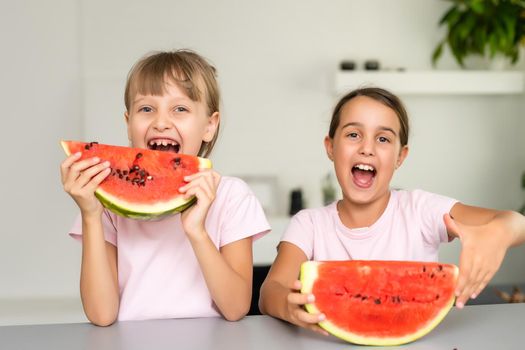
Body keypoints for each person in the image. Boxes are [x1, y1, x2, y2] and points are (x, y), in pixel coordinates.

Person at [259, 87, 525, 335]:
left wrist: (500, 232)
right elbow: (270, 290)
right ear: (331, 147)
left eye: (383, 139)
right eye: (353, 134)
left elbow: (516, 224)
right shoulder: (309, 224)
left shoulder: (421, 210)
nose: (367, 148)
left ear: (401, 156)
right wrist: (287, 306)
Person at [60, 49, 270, 326]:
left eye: (180, 109)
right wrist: (90, 214)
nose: (161, 122)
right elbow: (102, 315)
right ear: (128, 123)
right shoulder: (105, 202)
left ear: (210, 125)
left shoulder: (232, 196)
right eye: (146, 109)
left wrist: (197, 231)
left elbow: (236, 307)